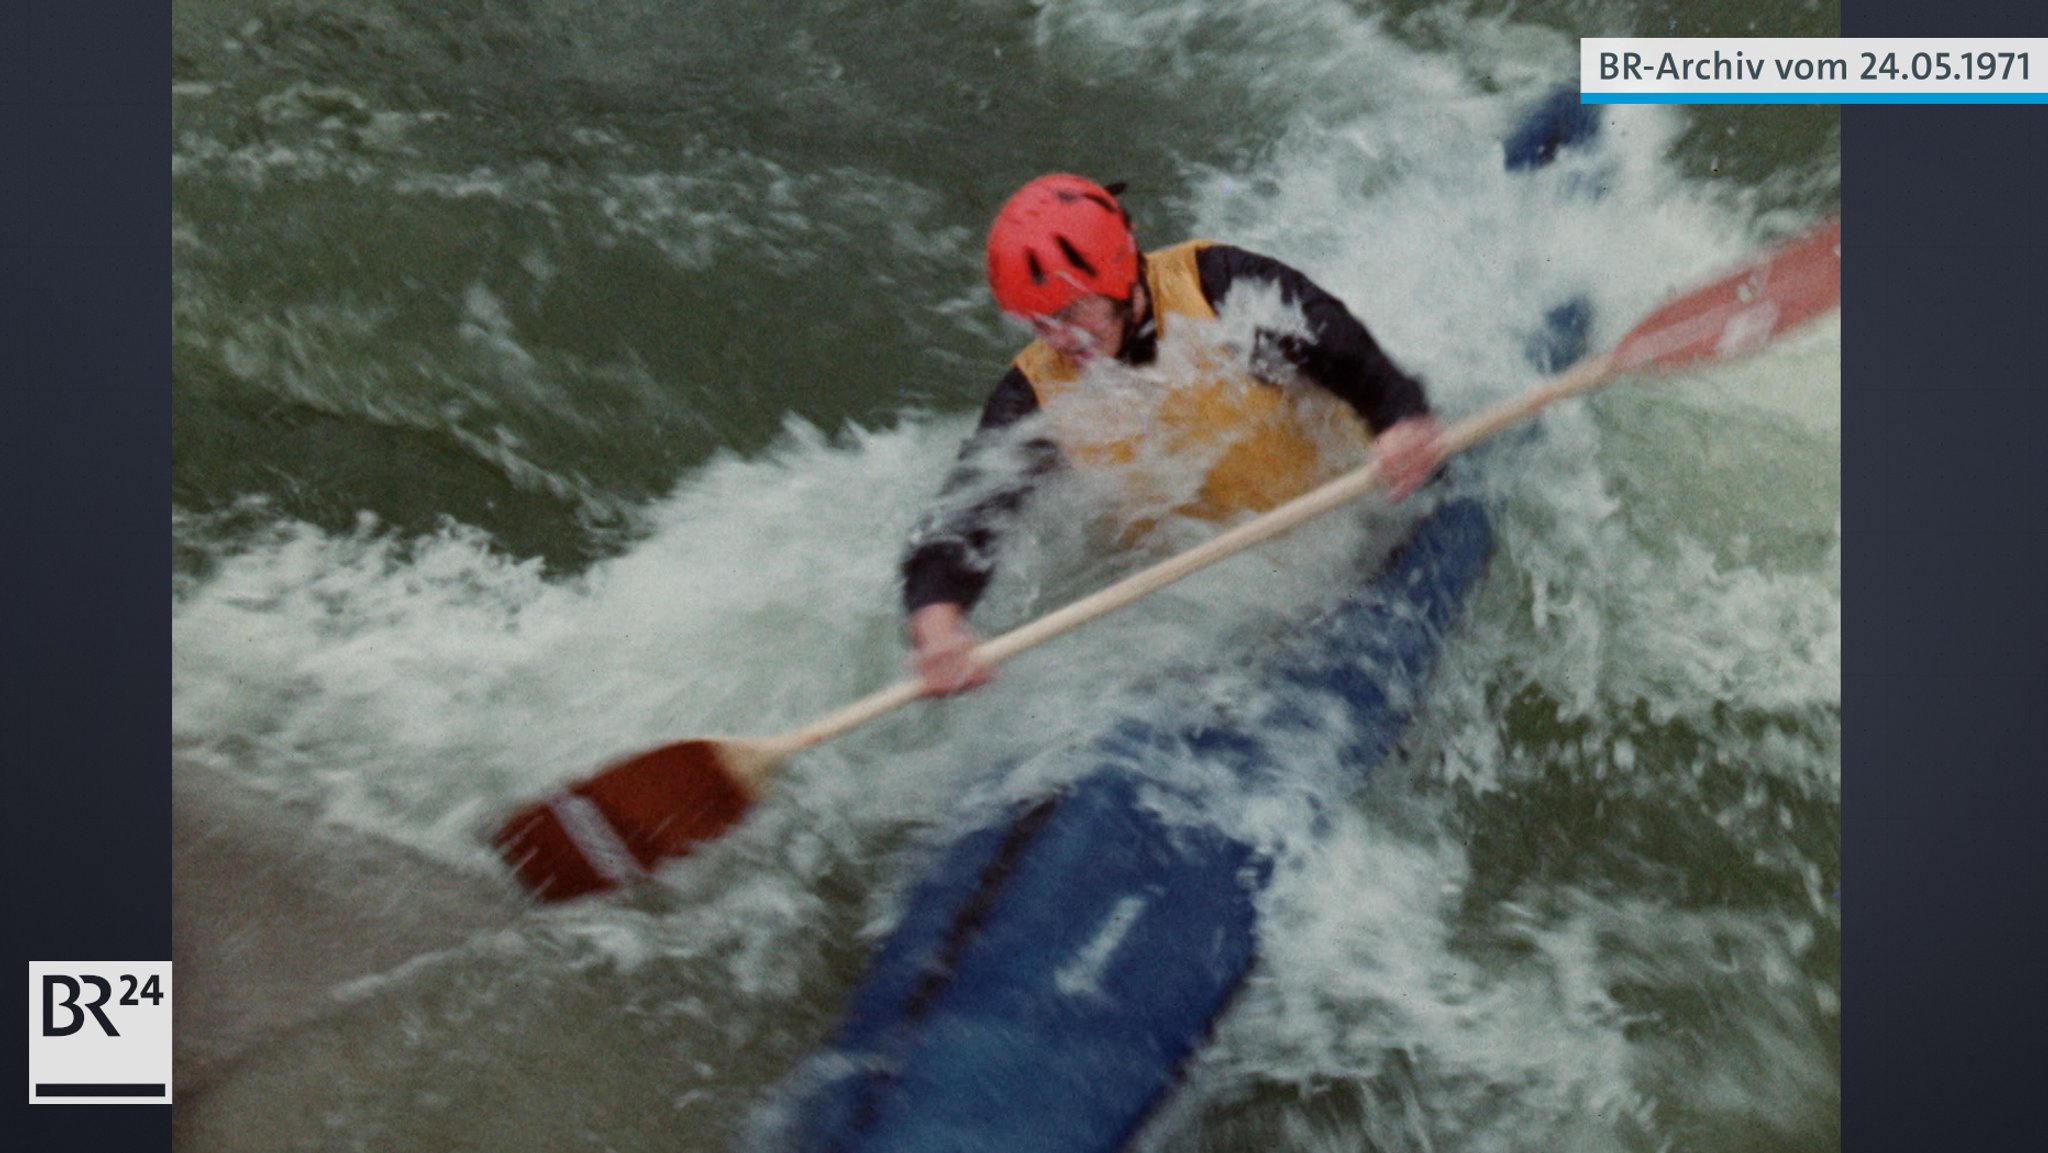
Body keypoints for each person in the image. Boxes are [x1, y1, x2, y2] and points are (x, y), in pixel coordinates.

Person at [901, 174, 1445, 696]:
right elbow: (968, 510)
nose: (1060, 339)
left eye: (1072, 312)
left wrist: (1399, 416)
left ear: (1119, 273)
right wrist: (938, 620)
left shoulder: (1220, 287)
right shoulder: (1037, 393)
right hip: (1224, 601)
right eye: (1039, 323)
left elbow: (1341, 345)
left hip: (1364, 523)